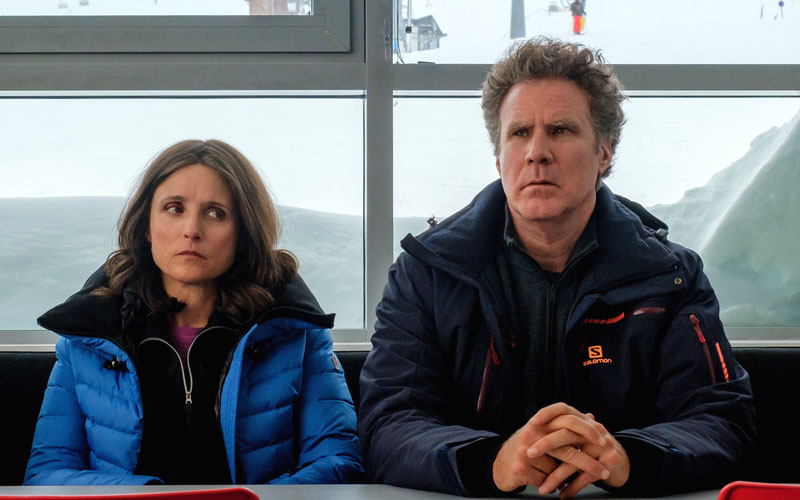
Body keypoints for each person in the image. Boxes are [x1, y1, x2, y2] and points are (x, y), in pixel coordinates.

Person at [358, 39, 755, 498]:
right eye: (519, 133)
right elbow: (388, 425)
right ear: (498, 157)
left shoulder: (671, 277)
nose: (537, 152)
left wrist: (626, 457)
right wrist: (493, 461)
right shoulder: (425, 274)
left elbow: (722, 421)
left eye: (561, 130)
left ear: (604, 152)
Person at [25, 139, 363, 485]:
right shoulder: (88, 337)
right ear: (146, 225)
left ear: (244, 231)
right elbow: (46, 476)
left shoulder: (297, 334)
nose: (192, 230)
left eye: (216, 213)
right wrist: (149, 497)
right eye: (174, 208)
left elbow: (339, 462)